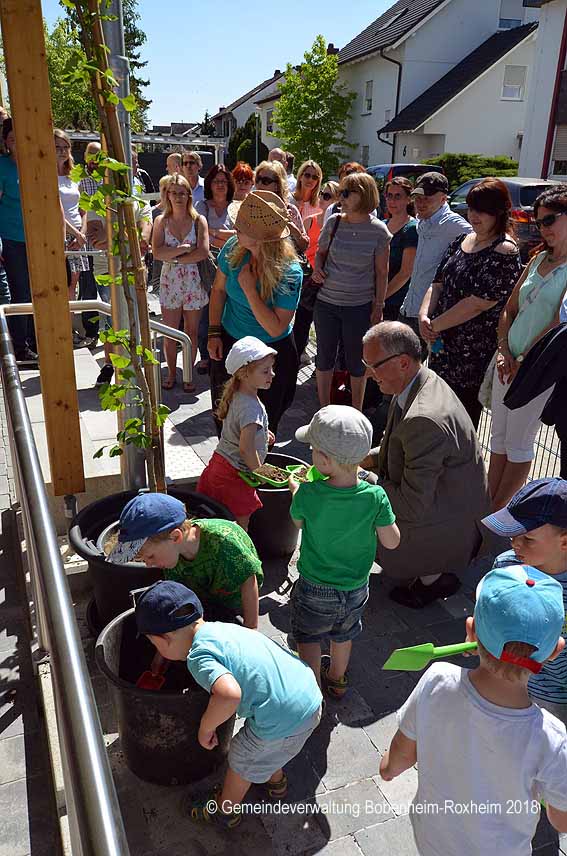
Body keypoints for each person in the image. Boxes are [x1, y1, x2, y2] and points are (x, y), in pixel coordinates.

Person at [380, 564, 567, 855]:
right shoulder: (551, 739)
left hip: (433, 841)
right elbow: (561, 820)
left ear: (471, 631)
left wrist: (389, 768)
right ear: (555, 651)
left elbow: (400, 757)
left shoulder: (437, 679)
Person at [134, 580, 322, 828]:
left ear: (164, 639)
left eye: (153, 643)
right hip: (307, 694)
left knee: (242, 756)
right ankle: (275, 782)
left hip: (284, 715)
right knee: (270, 748)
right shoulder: (220, 629)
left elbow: (228, 695)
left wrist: (205, 727)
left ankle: (225, 812)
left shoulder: (198, 656)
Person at [362, 322, 490, 608]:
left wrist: (357, 475)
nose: (368, 374)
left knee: (353, 500)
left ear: (403, 362)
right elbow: (399, 445)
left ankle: (432, 576)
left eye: (373, 366)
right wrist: (365, 456)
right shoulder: (419, 380)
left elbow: (410, 505)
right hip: (449, 503)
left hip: (444, 521)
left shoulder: (424, 419)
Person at [289, 405, 400, 697]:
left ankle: (310, 692)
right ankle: (337, 680)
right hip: (355, 587)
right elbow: (391, 541)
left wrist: (295, 490)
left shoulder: (309, 493)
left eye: (313, 450)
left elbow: (297, 522)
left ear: (323, 461)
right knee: (344, 634)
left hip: (315, 585)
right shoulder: (375, 495)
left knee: (308, 637)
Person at [418, 178, 522, 429]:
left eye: (483, 210)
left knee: (460, 422)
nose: (475, 216)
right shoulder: (463, 240)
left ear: (499, 211)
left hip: (471, 355)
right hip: (443, 346)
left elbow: (479, 302)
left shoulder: (505, 251)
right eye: (472, 209)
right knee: (436, 414)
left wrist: (435, 325)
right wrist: (423, 316)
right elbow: (438, 282)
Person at [489, 185, 567, 509]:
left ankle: (498, 513)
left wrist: (522, 359)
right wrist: (505, 351)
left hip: (538, 369)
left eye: (550, 219)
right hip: (508, 361)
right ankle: (486, 504)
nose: (543, 228)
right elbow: (510, 308)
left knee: (519, 445)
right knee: (498, 438)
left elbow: (556, 322)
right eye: (539, 222)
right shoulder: (537, 258)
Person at [208, 190, 302, 437]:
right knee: (225, 418)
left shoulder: (290, 271)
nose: (234, 228)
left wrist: (250, 290)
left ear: (260, 238)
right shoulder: (233, 247)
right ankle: (229, 470)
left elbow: (276, 328)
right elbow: (217, 291)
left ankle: (257, 472)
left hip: (271, 353)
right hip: (231, 342)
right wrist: (213, 332)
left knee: (264, 428)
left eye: (241, 226)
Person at [108, 493, 264, 629]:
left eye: (150, 557)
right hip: (206, 595)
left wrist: (251, 627)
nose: (148, 564)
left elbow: (249, 581)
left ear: (176, 537)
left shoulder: (223, 541)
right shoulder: (170, 555)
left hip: (236, 598)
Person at [482, 477, 567, 724]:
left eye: (527, 539)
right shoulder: (505, 566)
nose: (515, 543)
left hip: (555, 694)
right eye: (514, 534)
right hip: (507, 680)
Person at [311, 172, 391, 411]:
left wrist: (378, 306)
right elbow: (320, 253)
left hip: (359, 306)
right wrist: (317, 270)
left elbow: (381, 273)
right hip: (326, 303)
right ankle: (323, 408)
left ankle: (356, 410)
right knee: (324, 357)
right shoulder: (333, 221)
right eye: (341, 192)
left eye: (347, 193)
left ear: (364, 194)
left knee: (357, 362)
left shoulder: (379, 231)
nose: (341, 197)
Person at [199, 337, 275, 530]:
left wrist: (263, 434)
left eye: (271, 369)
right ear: (244, 374)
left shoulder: (238, 395)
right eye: (265, 371)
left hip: (219, 465)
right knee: (240, 527)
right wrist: (261, 473)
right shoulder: (251, 408)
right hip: (235, 475)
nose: (272, 374)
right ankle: (240, 557)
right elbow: (246, 448)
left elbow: (238, 430)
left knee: (214, 522)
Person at [152, 173, 210, 393]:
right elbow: (157, 252)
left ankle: (188, 374)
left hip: (193, 281)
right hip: (170, 282)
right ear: (167, 195)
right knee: (170, 332)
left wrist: (174, 256)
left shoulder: (198, 220)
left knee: (192, 332)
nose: (178, 197)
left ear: (189, 195)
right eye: (173, 192)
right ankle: (171, 373)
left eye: (182, 193)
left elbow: (203, 252)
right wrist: (184, 250)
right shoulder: (161, 220)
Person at [86, 194, 152, 386]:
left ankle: (135, 370)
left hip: (134, 269)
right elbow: (94, 238)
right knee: (111, 319)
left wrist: (111, 236)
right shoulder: (98, 199)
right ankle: (109, 365)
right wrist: (129, 235)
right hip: (105, 269)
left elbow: (143, 238)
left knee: (135, 319)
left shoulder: (140, 200)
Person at [399, 172, 472, 338]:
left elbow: (481, 245)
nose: (420, 203)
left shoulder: (454, 224)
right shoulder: (423, 221)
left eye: (427, 198)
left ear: (443, 199)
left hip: (432, 316)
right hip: (409, 309)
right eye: (417, 198)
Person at [195, 165, 238, 373]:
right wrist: (226, 236)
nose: (220, 185)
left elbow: (239, 235)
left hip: (231, 264)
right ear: (209, 184)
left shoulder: (236, 207)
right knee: (206, 310)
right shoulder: (201, 206)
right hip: (208, 266)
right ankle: (205, 355)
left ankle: (226, 350)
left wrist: (213, 233)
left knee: (227, 308)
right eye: (216, 181)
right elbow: (200, 234)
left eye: (223, 181)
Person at [0, 118, 36, 362]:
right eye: (11, 139)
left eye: (19, 138)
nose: (15, 143)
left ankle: (37, 342)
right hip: (11, 239)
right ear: (5, 142)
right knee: (20, 292)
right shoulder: (2, 166)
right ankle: (21, 348)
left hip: (37, 240)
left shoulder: (35, 164)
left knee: (39, 291)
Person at [54, 129, 89, 334]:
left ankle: (68, 329)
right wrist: (75, 233)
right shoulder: (47, 174)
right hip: (61, 235)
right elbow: (53, 209)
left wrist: (81, 233)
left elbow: (83, 209)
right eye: (57, 147)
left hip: (78, 238)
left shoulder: (73, 175)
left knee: (72, 287)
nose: (62, 151)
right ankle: (59, 330)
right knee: (60, 284)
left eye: (65, 147)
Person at [77, 141, 103, 348]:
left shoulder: (108, 179)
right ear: (85, 157)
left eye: (98, 156)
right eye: (91, 155)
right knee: (88, 291)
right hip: (86, 245)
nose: (95, 160)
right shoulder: (78, 178)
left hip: (105, 245)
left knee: (107, 292)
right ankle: (91, 333)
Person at [382, 177, 418, 321]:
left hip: (394, 303)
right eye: (389, 196)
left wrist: (380, 299)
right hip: (372, 298)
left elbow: (405, 273)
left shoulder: (411, 229)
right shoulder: (381, 224)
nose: (392, 201)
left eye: (398, 196)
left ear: (408, 199)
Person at [254, 160, 308, 253]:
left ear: (277, 185)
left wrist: (291, 228)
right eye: (258, 179)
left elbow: (304, 246)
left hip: (284, 264)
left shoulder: (290, 210)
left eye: (265, 181)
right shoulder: (249, 208)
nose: (259, 184)